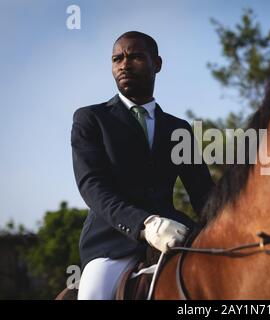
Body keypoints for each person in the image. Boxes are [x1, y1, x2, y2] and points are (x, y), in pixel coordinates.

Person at [71, 31, 214, 299]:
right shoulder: (90, 119)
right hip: (111, 244)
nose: (124, 64)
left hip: (175, 236)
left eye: (135, 56)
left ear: (157, 64)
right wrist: (144, 224)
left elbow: (203, 193)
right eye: (117, 58)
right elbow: (93, 187)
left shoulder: (178, 129)